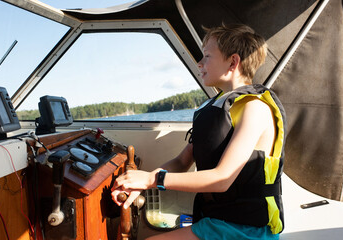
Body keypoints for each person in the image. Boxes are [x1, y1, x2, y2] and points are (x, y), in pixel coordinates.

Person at [111, 23, 286, 240]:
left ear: (233, 61)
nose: (199, 63)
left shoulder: (254, 108)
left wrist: (151, 180)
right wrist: (141, 184)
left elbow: (222, 179)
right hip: (216, 221)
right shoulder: (215, 107)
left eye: (207, 56)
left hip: (245, 229)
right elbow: (181, 162)